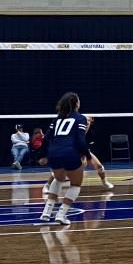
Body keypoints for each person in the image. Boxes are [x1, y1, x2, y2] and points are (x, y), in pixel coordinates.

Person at [38, 92, 90, 225]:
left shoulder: (57, 119)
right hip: (70, 153)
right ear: (76, 103)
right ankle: (61, 214)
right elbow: (80, 140)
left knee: (58, 179)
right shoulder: (80, 118)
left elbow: (45, 139)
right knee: (76, 184)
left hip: (54, 154)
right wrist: (86, 155)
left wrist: (43, 155)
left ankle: (46, 212)